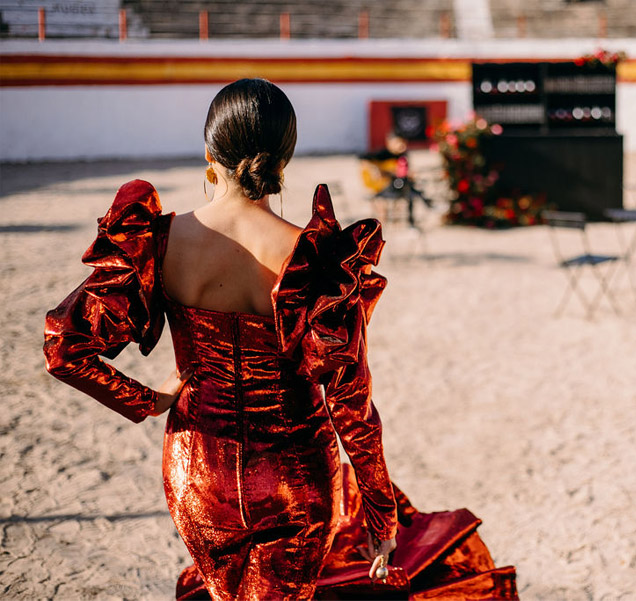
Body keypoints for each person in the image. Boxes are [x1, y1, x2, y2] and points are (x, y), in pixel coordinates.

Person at [43, 78, 398, 599]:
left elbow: (63, 349)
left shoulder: (160, 241)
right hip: (294, 476)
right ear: (285, 159)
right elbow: (351, 403)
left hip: (197, 471)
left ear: (210, 154)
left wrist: (147, 399)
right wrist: (380, 515)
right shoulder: (315, 259)